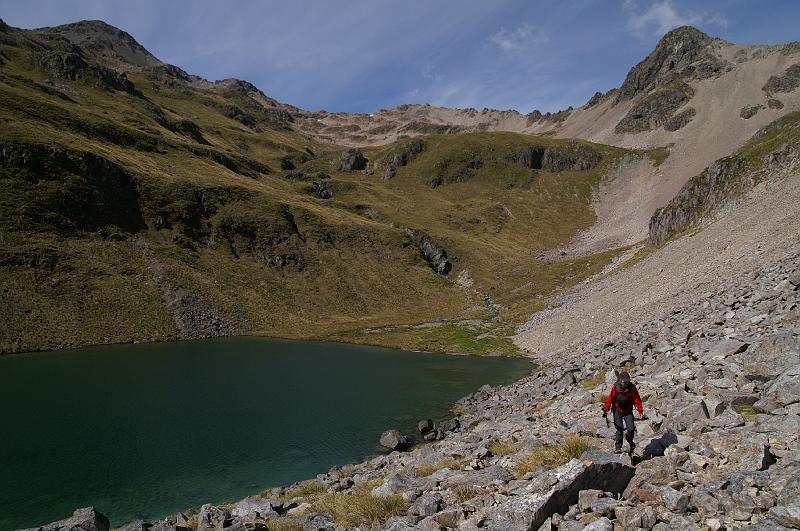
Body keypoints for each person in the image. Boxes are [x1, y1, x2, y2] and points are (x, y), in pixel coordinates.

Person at [602, 371, 644, 454]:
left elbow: (637, 400)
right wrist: (606, 408)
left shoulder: (632, 388)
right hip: (617, 410)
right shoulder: (615, 388)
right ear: (620, 380)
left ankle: (630, 441)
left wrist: (640, 412)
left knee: (631, 429)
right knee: (619, 429)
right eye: (624, 381)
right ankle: (618, 447)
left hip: (628, 411)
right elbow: (610, 399)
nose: (626, 383)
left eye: (627, 381)